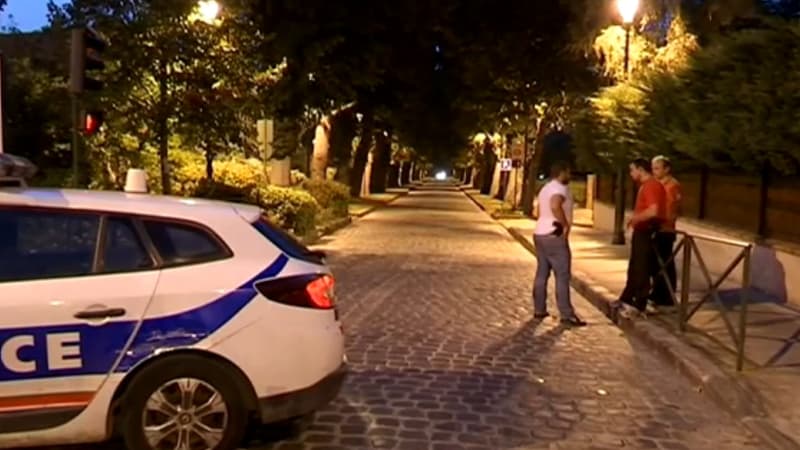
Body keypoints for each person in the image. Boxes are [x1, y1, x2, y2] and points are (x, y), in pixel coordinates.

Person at [532, 161, 586, 327]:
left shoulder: (545, 188)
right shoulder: (559, 189)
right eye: (568, 172)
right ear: (562, 172)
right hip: (554, 234)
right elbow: (555, 205)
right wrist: (564, 225)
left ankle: (539, 308)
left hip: (540, 232)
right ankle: (566, 314)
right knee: (562, 275)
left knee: (542, 272)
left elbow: (538, 211)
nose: (570, 176)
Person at [617, 158, 667, 315]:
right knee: (635, 266)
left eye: (632, 170)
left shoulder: (651, 186)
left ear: (640, 169)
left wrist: (635, 219)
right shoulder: (646, 186)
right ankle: (627, 297)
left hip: (646, 231)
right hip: (642, 230)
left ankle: (639, 303)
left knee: (641, 267)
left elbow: (654, 210)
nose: (631, 174)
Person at [651, 155, 681, 308]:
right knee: (657, 263)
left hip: (665, 229)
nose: (654, 171)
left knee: (665, 262)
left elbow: (669, 208)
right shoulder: (659, 184)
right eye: (653, 168)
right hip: (658, 227)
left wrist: (658, 222)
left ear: (667, 169)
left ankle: (667, 295)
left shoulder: (671, 185)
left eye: (657, 168)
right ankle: (658, 293)